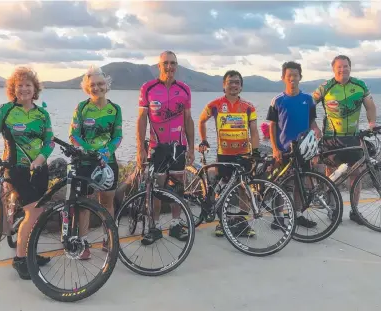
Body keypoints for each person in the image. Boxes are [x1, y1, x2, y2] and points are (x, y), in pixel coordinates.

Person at [0, 67, 54, 279]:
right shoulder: (3, 110)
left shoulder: (42, 113)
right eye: (20, 85)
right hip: (16, 169)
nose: (24, 89)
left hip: (39, 169)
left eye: (28, 85)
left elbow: (49, 141)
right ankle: (20, 259)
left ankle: (29, 251)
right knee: (33, 211)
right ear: (13, 89)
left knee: (37, 213)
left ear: (35, 89)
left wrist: (41, 158)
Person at [136, 50, 195, 245]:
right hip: (157, 146)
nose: (169, 67)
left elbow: (188, 119)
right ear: (159, 66)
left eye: (173, 63)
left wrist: (192, 148)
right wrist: (140, 149)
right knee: (157, 188)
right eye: (166, 63)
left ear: (176, 66)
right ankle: (155, 227)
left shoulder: (184, 89)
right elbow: (142, 119)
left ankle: (176, 224)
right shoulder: (148, 88)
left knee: (178, 187)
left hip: (178, 146)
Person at [311, 55, 377, 224]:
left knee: (356, 174)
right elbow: (309, 106)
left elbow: (370, 106)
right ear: (334, 69)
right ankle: (333, 209)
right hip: (332, 138)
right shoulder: (326, 87)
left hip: (353, 137)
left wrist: (372, 124)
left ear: (350, 67)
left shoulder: (360, 85)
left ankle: (355, 211)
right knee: (332, 175)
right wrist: (315, 127)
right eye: (339, 67)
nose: (343, 69)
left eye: (346, 66)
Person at [69, 65, 122, 259]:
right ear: (86, 87)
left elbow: (118, 136)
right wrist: (91, 152)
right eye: (92, 85)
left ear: (106, 85)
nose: (97, 88)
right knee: (84, 204)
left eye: (100, 84)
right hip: (86, 162)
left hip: (108, 162)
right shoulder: (82, 108)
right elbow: (73, 135)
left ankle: (108, 238)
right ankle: (83, 243)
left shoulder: (115, 109)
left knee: (107, 202)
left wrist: (106, 152)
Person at [198, 70, 259, 237]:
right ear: (224, 85)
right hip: (224, 154)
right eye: (230, 82)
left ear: (241, 87)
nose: (234, 85)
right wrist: (203, 139)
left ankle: (242, 223)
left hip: (244, 155)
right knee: (222, 188)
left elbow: (254, 132)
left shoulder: (248, 107)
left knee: (243, 189)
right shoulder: (215, 105)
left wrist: (256, 152)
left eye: (237, 82)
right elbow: (201, 120)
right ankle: (221, 222)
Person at [266, 61, 322, 229]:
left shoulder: (308, 99)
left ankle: (297, 215)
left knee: (301, 184)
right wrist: (275, 149)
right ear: (283, 78)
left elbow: (312, 121)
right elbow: (272, 126)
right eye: (289, 76)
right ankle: (278, 217)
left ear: (300, 77)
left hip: (303, 150)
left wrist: (317, 131)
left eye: (295, 75)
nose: (292, 79)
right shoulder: (277, 100)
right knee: (280, 184)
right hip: (283, 150)